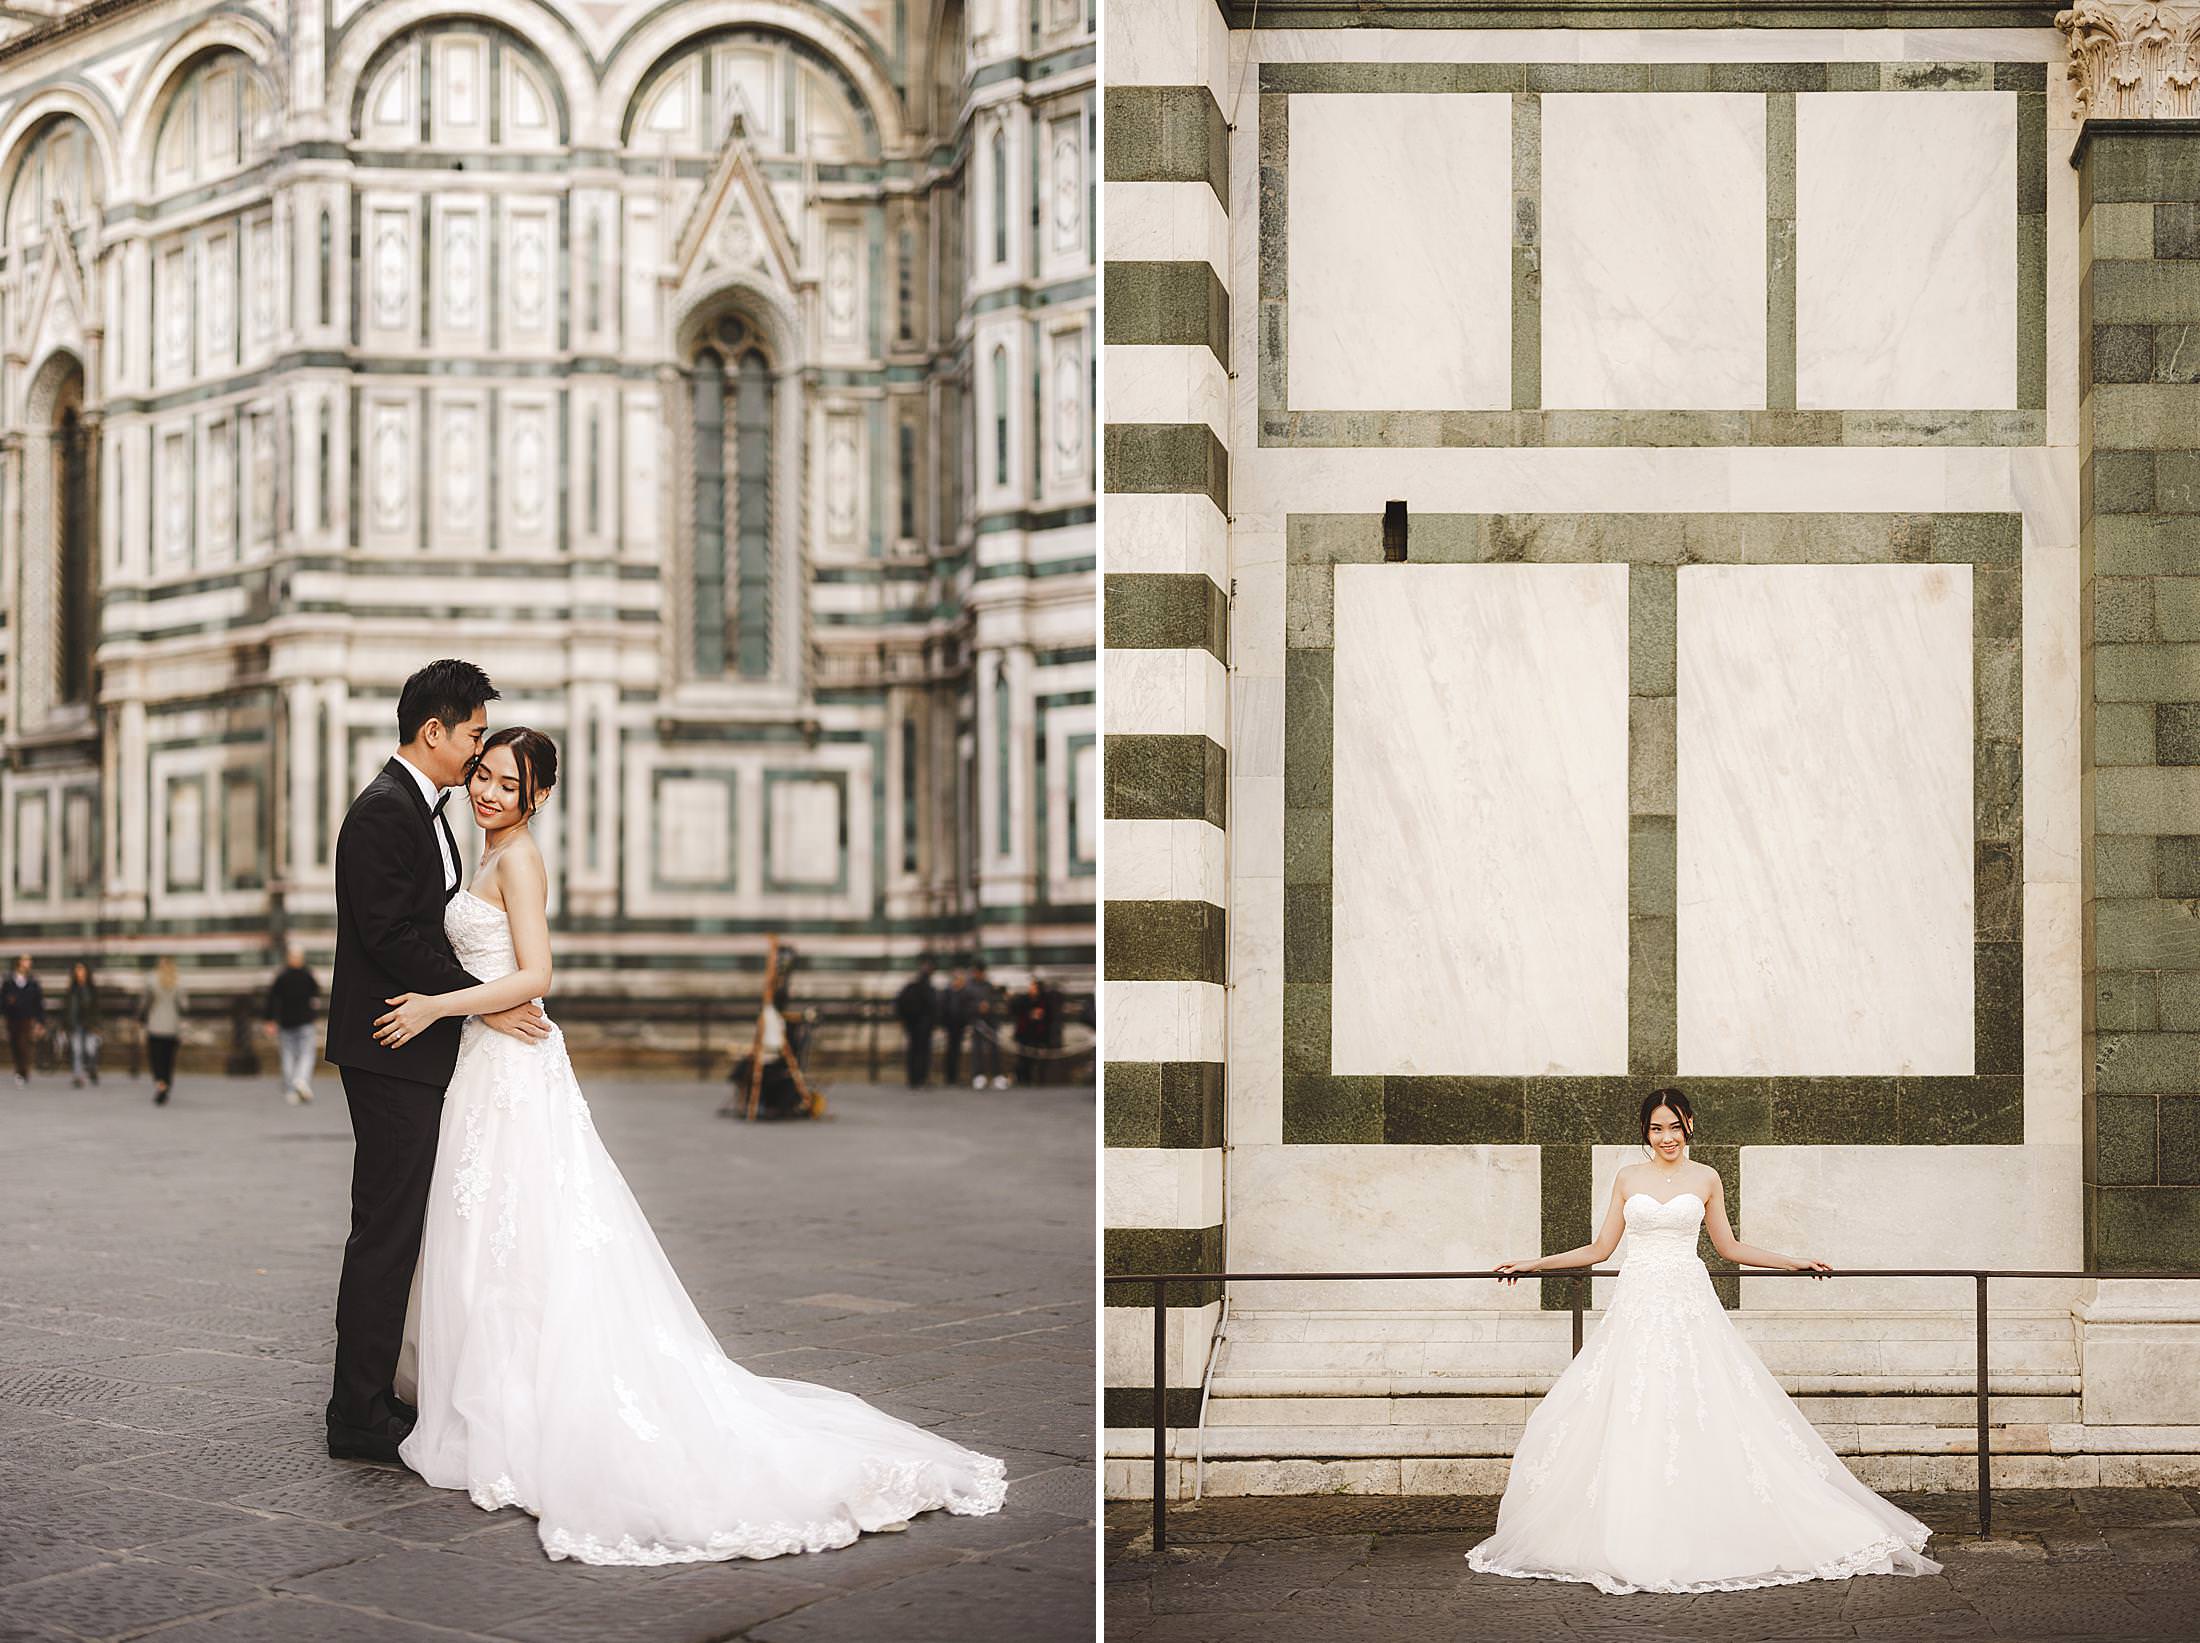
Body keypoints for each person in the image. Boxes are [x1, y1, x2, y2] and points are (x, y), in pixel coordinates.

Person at [369, 726, 1005, 1562]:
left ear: (540, 796)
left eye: (507, 783)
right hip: (486, 1062)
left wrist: (434, 1005)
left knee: (530, 1224)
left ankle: (525, 1395)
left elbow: (538, 975)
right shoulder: (478, 849)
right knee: (492, 1226)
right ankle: (488, 1385)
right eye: (483, 775)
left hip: (514, 1064)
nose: (488, 791)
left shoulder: (519, 860)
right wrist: (468, 1006)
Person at [1469, 1087, 1940, 1594]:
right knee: (1631, 1403)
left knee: (1704, 1400)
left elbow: (1729, 1247)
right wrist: (1532, 1263)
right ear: (1645, 1130)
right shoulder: (1628, 1178)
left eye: (1674, 1126)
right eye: (1655, 1128)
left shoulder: (1706, 1177)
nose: (1666, 1137)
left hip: (1689, 1302)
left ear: (1689, 1123)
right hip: (1638, 1303)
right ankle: (1628, 1526)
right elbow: (1600, 1248)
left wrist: (1793, 1261)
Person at [324, 659, 548, 1468]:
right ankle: (357, 1413)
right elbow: (392, 938)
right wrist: (486, 997)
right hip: (393, 1046)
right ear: (435, 733)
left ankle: (377, 1391)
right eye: (475, 736)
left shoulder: (427, 811)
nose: (478, 753)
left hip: (420, 1043)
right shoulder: (386, 813)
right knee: (386, 1229)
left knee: (403, 1226)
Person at [264, 945, 322, 1105]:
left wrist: (269, 1020)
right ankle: (301, 1079)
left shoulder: (281, 977)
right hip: (305, 1022)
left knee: (288, 1055)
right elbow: (316, 998)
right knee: (307, 1053)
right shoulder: (308, 976)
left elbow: (272, 1000)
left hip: (286, 1022)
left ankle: (291, 1089)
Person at [142, 958, 185, 1105]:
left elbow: (145, 1003)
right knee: (168, 1061)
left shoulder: (151, 981)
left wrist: (142, 1016)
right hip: (172, 1027)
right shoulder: (178, 982)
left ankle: (160, 1084)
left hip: (155, 1026)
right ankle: (166, 1085)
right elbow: (184, 1005)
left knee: (156, 1060)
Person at [3, 955, 45, 1086]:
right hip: (12, 1018)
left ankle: (23, 1072)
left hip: (27, 1018)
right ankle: (19, 1069)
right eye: (25, 961)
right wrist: (8, 1002)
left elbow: (39, 1002)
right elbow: (2, 999)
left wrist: (40, 1021)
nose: (28, 963)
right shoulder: (9, 981)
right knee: (15, 1044)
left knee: (24, 1044)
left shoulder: (33, 981)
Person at [893, 962, 937, 1089]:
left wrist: (903, 1020)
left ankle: (913, 1078)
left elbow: (898, 1003)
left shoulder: (910, 987)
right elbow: (933, 1008)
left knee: (913, 1051)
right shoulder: (928, 988)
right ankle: (921, 1078)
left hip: (911, 1026)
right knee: (923, 1052)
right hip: (924, 1026)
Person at [965, 962, 1007, 1090]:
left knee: (994, 1050)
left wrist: (989, 1006)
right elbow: (965, 1005)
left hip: (991, 1022)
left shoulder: (989, 986)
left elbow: (997, 1002)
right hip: (977, 1022)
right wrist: (977, 1007)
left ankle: (997, 1076)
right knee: (977, 1050)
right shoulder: (969, 987)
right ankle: (978, 1076)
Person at [62, 962, 100, 1087]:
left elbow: (96, 1008)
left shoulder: (92, 989)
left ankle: (92, 1069)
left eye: (82, 970)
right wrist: (65, 1024)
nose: (80, 973)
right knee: (77, 1050)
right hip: (75, 1024)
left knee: (90, 1049)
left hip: (89, 1024)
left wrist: (96, 1025)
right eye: (77, 971)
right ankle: (78, 1076)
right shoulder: (71, 989)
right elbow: (66, 1008)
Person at [1012, 979, 1050, 1086]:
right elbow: (1017, 1011)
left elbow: (1048, 1019)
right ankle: (1023, 1080)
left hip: (1037, 1036)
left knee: (1036, 1060)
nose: (1031, 989)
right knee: (1022, 1059)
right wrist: (1030, 1014)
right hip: (1024, 1035)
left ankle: (1036, 1080)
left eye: (1033, 987)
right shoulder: (1024, 999)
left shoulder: (1044, 1002)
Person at [940, 968, 971, 1087]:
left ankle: (954, 1076)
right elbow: (943, 1009)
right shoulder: (948, 992)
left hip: (960, 1026)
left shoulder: (963, 993)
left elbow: (966, 1009)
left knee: (957, 1051)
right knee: (950, 1052)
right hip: (950, 1026)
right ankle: (949, 1076)